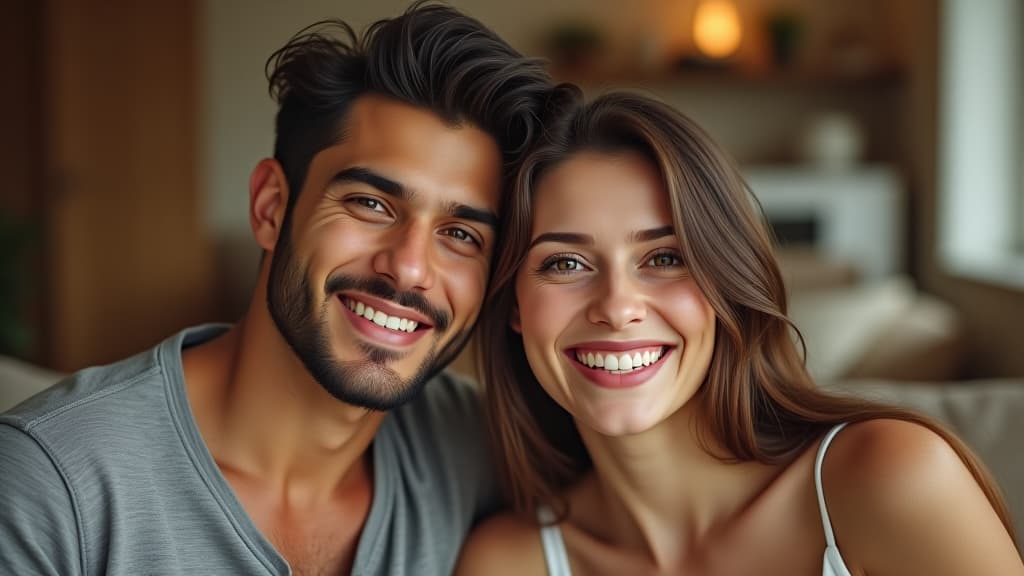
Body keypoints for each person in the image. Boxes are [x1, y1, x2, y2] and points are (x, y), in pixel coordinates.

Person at [0, 3, 553, 574]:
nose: (410, 269)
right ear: (270, 207)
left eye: (461, 234)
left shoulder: (480, 447)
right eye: (370, 203)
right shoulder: (51, 488)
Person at [457, 89, 1024, 575]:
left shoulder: (886, 478)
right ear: (513, 306)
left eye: (664, 257)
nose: (618, 307)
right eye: (565, 264)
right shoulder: (511, 561)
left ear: (726, 280)